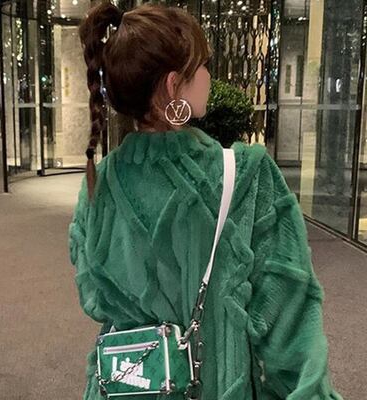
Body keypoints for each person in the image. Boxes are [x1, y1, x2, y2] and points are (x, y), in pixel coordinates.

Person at [68, 2, 343, 399]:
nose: (209, 76)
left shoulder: (100, 182)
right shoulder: (245, 175)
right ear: (173, 85)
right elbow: (290, 319)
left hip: (126, 383)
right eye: (202, 66)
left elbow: (94, 296)